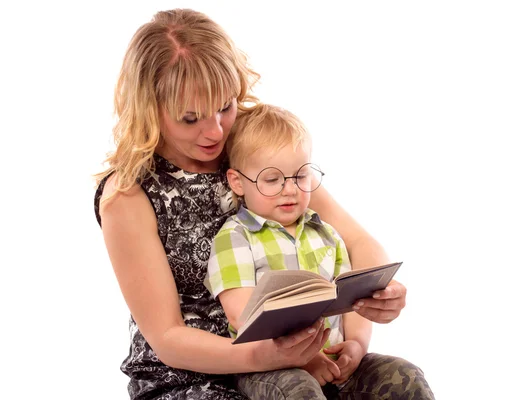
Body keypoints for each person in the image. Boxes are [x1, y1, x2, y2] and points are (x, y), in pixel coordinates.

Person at [93, 8, 434, 400]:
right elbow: (168, 338)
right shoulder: (128, 195)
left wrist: (379, 291)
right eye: (190, 118)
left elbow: (355, 240)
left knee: (404, 383)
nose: (216, 130)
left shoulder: (251, 144)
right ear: (149, 109)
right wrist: (268, 356)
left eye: (225, 106)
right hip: (188, 378)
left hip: (303, 358)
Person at [204, 103, 428, 399]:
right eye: (273, 179)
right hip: (270, 369)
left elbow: (354, 299)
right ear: (238, 182)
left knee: (405, 375)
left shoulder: (326, 233)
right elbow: (243, 316)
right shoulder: (234, 238)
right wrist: (302, 357)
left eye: (300, 176)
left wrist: (356, 346)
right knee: (299, 391)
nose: (290, 189)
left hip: (335, 363)